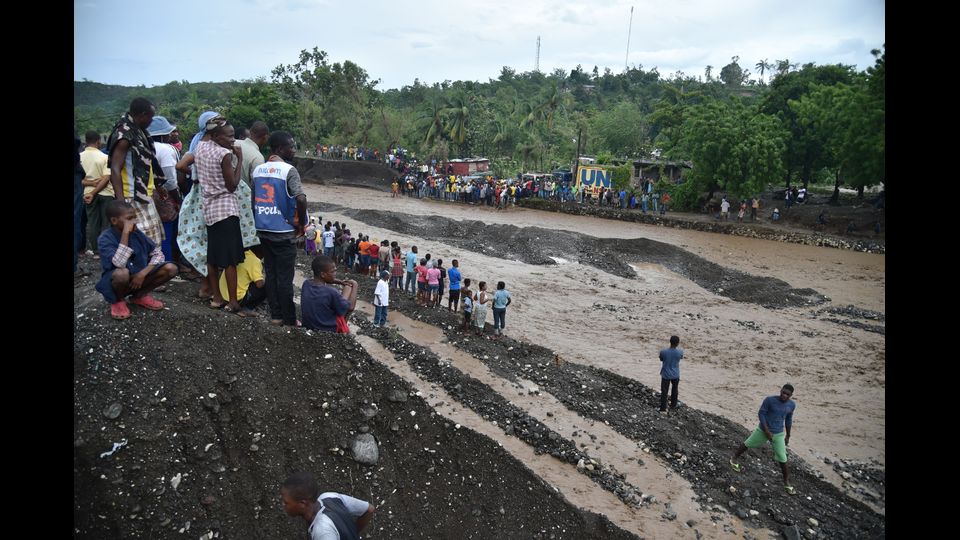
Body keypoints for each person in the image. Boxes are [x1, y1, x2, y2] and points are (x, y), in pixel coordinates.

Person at [252, 131, 308, 326]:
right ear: (279, 148)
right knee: (285, 278)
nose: (293, 150)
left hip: (264, 229)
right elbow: (300, 198)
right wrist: (300, 223)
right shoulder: (288, 171)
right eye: (291, 146)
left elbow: (254, 199)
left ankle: (275, 315)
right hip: (283, 233)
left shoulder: (258, 170)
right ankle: (289, 319)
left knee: (271, 273)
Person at [95, 201, 178, 319]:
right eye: (129, 218)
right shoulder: (105, 238)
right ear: (114, 221)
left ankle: (139, 296)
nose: (134, 221)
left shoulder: (137, 234)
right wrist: (125, 234)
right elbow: (119, 263)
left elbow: (158, 254)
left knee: (171, 268)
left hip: (138, 278)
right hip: (116, 282)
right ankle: (118, 301)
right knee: (122, 273)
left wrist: (142, 274)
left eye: (135, 217)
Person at [195, 119, 245, 314]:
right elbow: (232, 185)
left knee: (213, 256)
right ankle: (232, 301)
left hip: (209, 209)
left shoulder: (201, 146)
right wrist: (238, 159)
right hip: (225, 209)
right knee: (230, 259)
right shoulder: (224, 154)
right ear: (216, 136)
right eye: (229, 136)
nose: (233, 140)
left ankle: (216, 297)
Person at [106, 97, 167, 246]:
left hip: (144, 195)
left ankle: (152, 269)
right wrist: (121, 204)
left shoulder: (138, 132)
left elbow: (148, 162)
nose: (151, 121)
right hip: (131, 197)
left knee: (153, 242)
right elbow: (115, 168)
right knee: (141, 242)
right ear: (142, 115)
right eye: (150, 117)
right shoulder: (124, 135)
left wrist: (158, 185)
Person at [730, 384, 798, 495]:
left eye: (787, 394)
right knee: (748, 444)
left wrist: (788, 436)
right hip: (763, 431)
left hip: (778, 434)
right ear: (780, 391)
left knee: (783, 457)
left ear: (791, 395)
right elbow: (761, 414)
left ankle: (786, 482)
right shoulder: (770, 400)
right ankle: (733, 459)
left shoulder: (791, 405)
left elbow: (789, 420)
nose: (784, 395)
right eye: (783, 392)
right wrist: (766, 431)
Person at [280, 472, 375, 540]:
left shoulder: (323, 532)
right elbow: (369, 509)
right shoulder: (330, 497)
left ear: (302, 504)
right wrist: (352, 534)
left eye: (286, 502)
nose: (283, 504)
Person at [302, 255, 358, 333]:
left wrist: (340, 282)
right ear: (323, 274)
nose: (335, 273)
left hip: (309, 326)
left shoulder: (306, 284)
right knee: (348, 290)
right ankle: (343, 329)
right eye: (333, 272)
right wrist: (355, 285)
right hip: (328, 329)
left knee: (337, 303)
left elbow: (327, 280)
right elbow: (351, 307)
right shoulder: (331, 292)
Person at [81, 131, 115, 253]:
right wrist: (95, 190)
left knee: (93, 223)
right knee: (106, 223)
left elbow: (79, 180)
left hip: (87, 194)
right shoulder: (104, 157)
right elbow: (106, 178)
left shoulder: (79, 157)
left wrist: (91, 188)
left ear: (86, 141)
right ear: (98, 141)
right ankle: (105, 249)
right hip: (106, 194)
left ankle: (96, 251)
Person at [217, 248, 265, 316]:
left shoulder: (239, 253)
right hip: (237, 299)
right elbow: (259, 284)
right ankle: (247, 308)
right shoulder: (254, 260)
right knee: (267, 285)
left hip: (222, 295)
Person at [658, 335, 683, 413]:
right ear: (677, 343)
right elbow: (680, 358)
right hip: (675, 374)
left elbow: (661, 359)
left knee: (664, 391)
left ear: (670, 342)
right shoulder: (680, 352)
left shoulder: (663, 351)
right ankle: (673, 405)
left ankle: (663, 408)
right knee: (675, 390)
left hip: (666, 374)